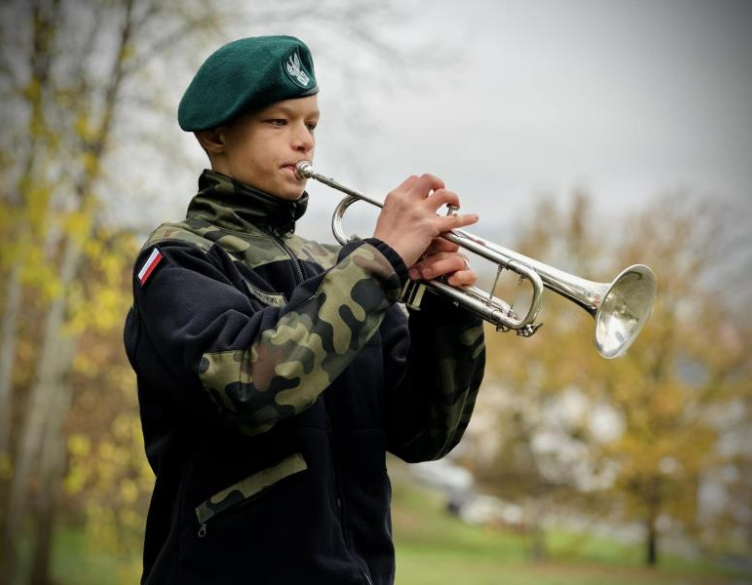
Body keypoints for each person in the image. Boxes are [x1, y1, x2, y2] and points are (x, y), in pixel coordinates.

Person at [123, 35, 486, 585]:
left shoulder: (337, 268)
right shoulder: (177, 261)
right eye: (279, 122)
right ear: (217, 134)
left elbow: (422, 436)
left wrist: (447, 315)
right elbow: (251, 385)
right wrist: (381, 261)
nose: (303, 143)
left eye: (311, 125)